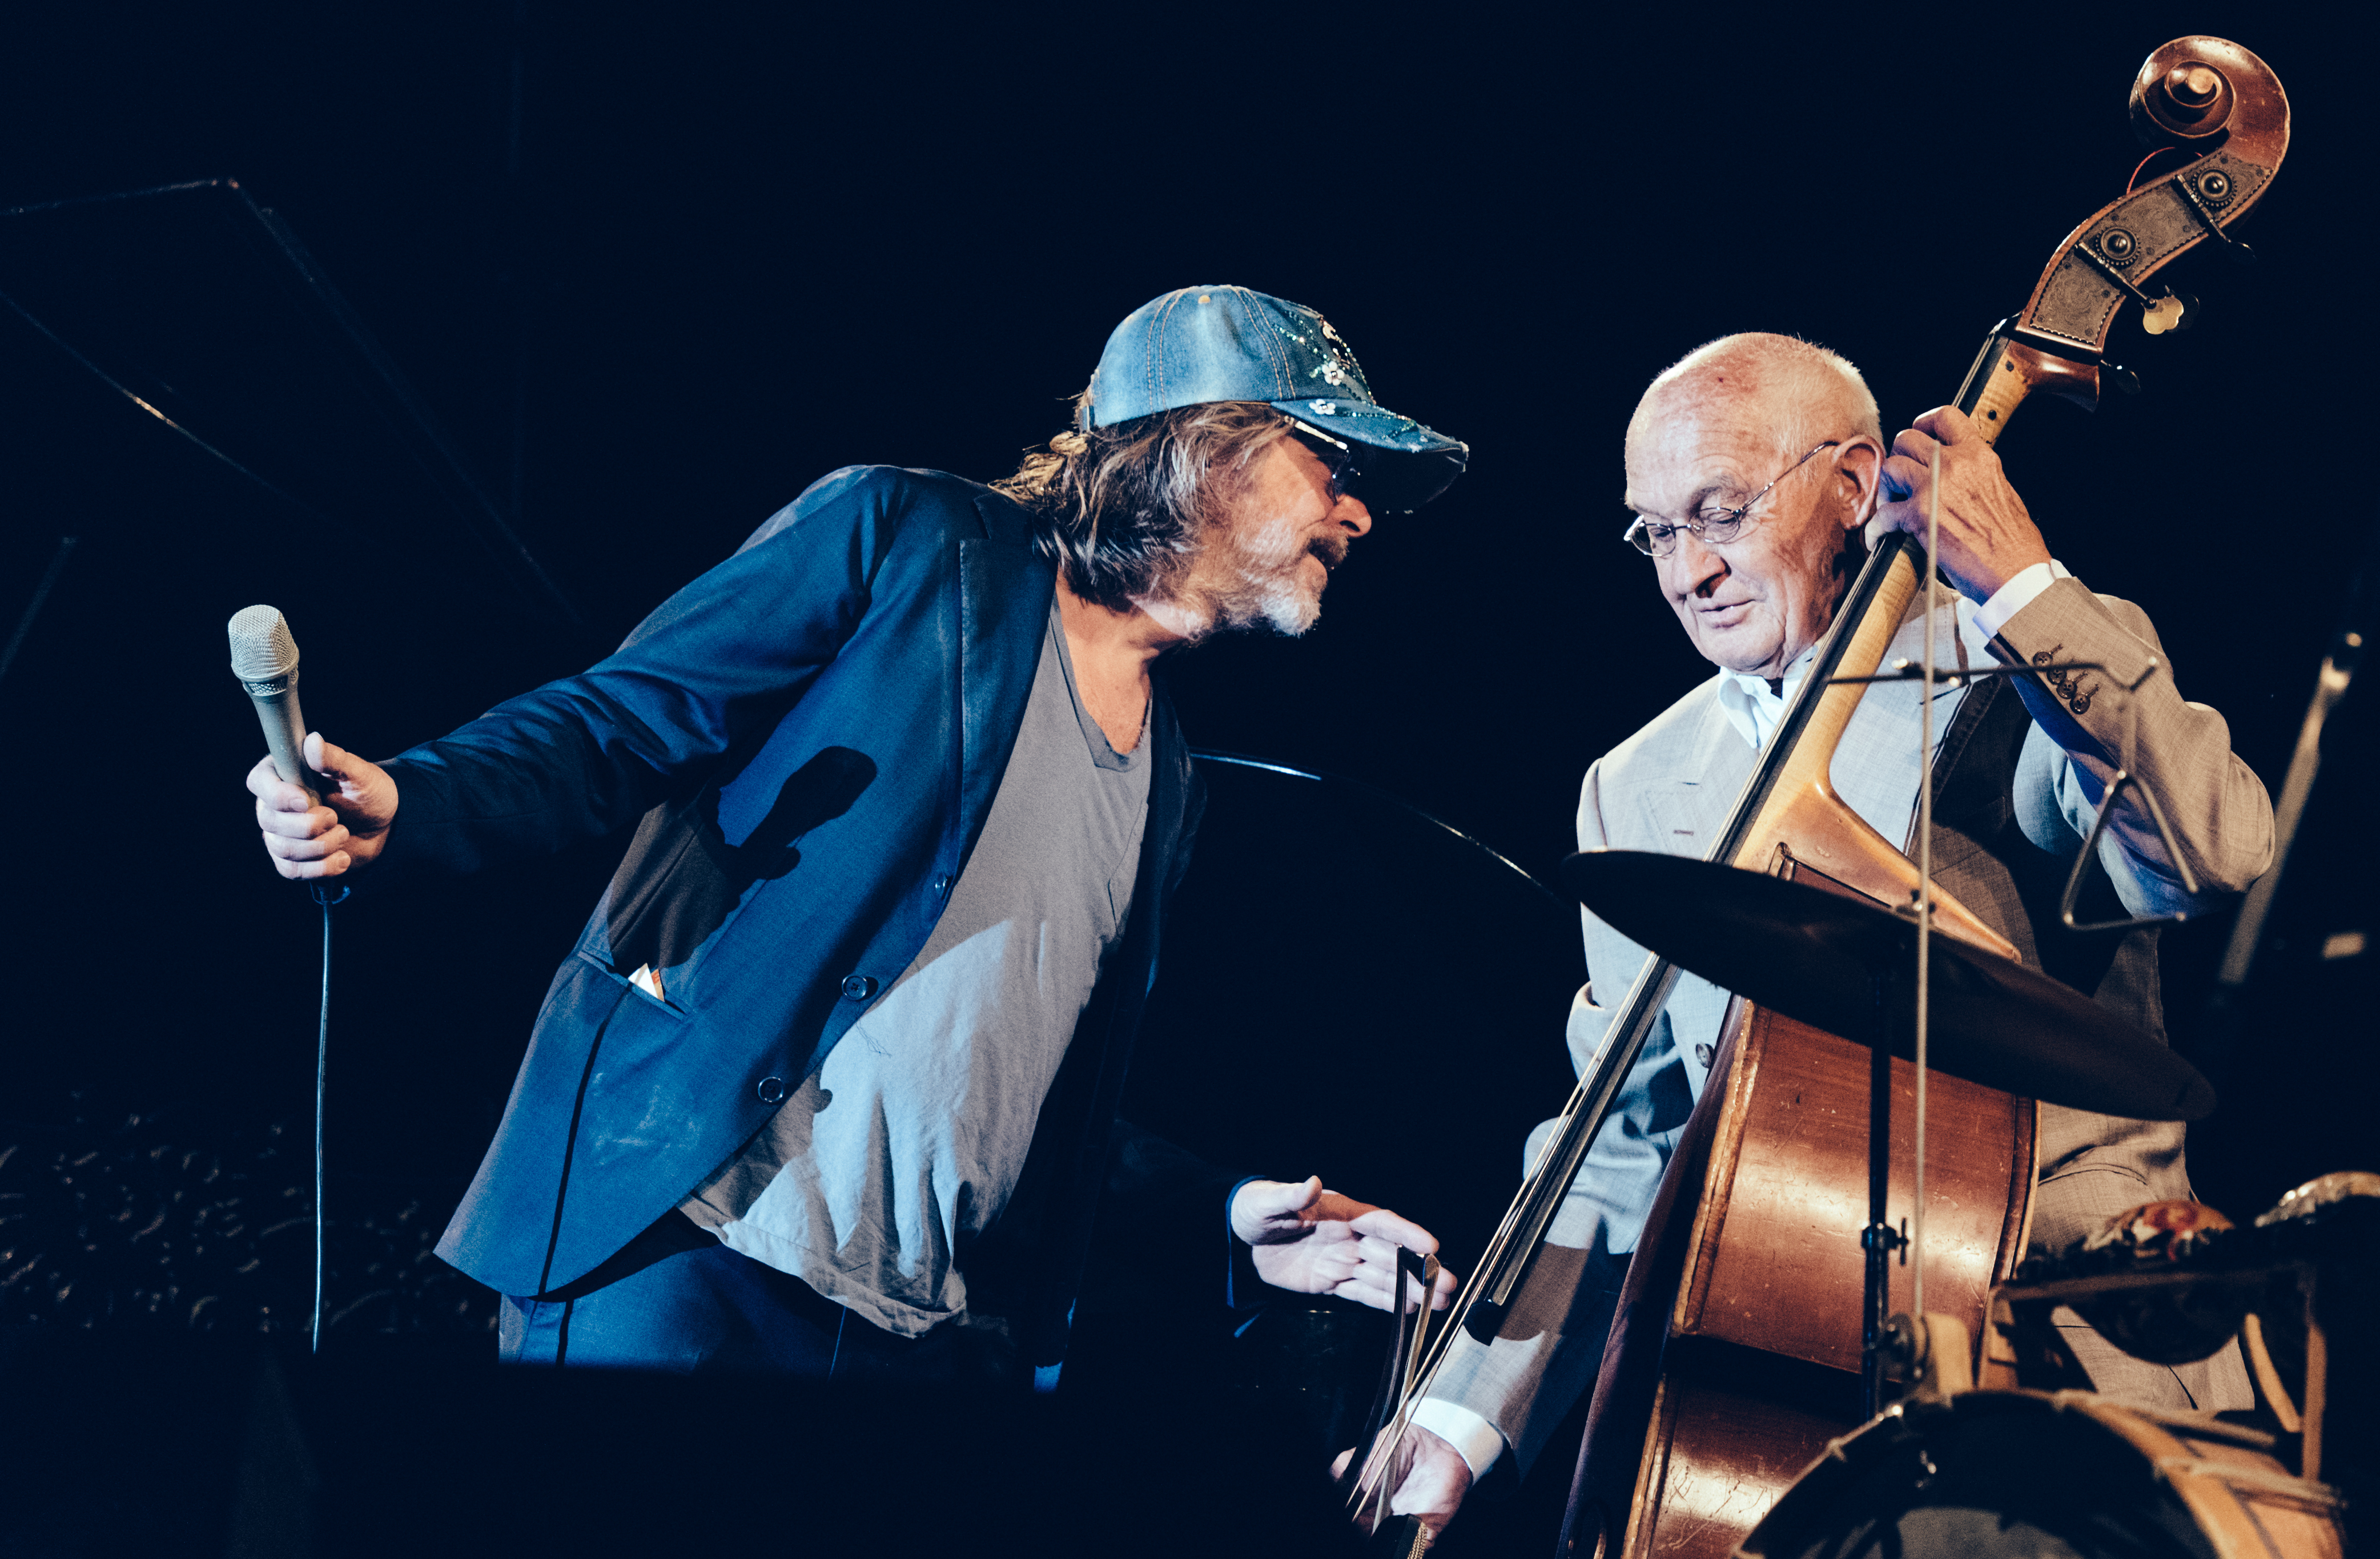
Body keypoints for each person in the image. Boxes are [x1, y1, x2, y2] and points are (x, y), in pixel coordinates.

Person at [247, 285, 1468, 1382]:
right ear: (1208, 447)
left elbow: (1028, 1106)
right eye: (1332, 462)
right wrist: (418, 798)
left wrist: (1232, 1208)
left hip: (893, 1341)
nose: (1359, 511)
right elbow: (624, 715)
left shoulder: (1173, 782)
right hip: (682, 1252)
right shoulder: (911, 541)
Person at [1380, 330, 2278, 1530]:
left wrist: (2018, 583)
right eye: (1655, 530)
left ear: (1851, 487)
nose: (1687, 570)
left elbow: (2208, 848)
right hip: (1775, 1394)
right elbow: (1620, 1137)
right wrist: (1455, 1424)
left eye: (1719, 511)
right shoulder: (1636, 782)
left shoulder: (2015, 666)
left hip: (2067, 1354)